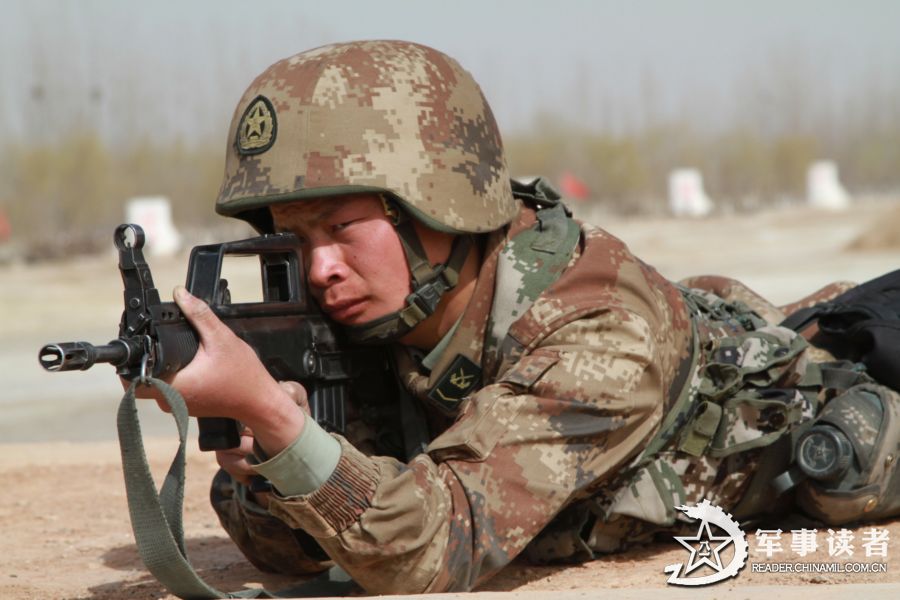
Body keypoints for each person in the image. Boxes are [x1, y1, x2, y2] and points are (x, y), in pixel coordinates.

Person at [141, 40, 900, 594]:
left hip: (798, 414)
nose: (318, 269)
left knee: (856, 463)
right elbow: (286, 557)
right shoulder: (383, 317)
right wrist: (266, 454)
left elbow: (435, 546)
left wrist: (275, 418)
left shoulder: (600, 336)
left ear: (436, 208)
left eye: (340, 228)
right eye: (293, 238)